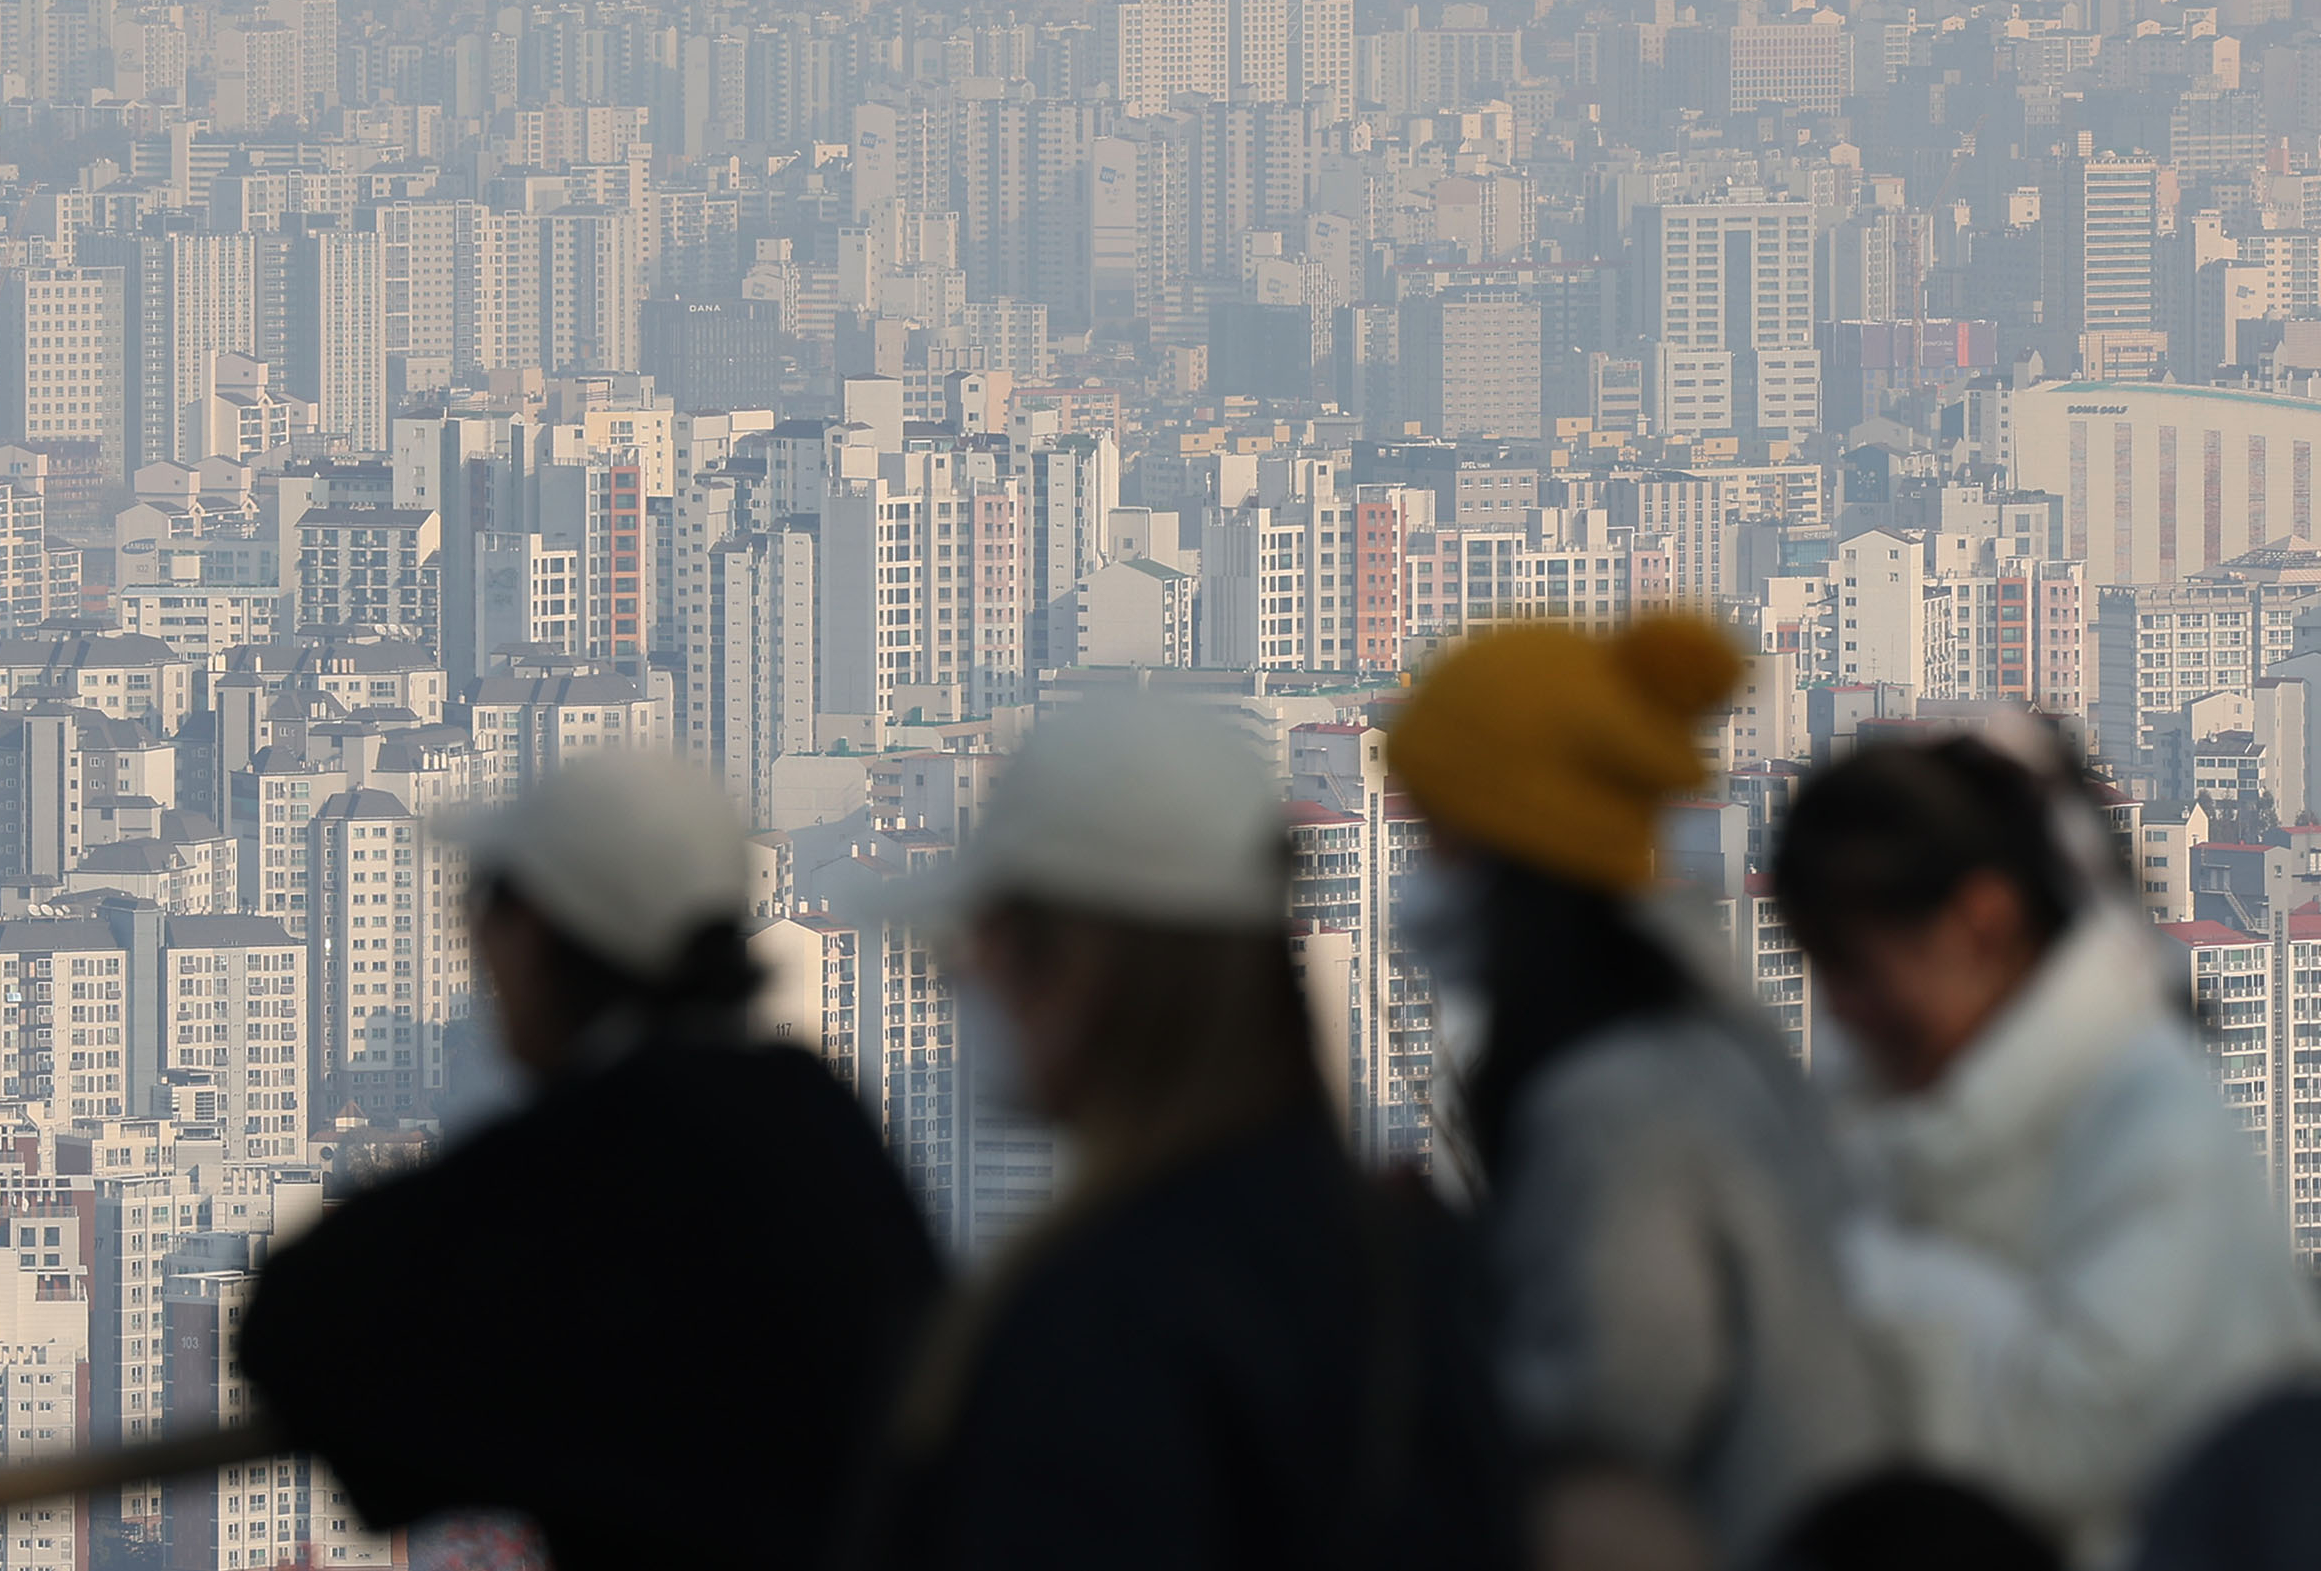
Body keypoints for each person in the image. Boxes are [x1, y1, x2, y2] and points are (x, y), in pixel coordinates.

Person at [852, 695, 1514, 1571]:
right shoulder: (1421, 1267)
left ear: (1081, 969)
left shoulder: (1095, 1329)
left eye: (991, 939)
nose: (968, 972)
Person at [238, 750, 941, 1571]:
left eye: (480, 909)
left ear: (531, 928)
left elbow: (295, 1328)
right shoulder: (815, 1106)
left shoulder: (599, 1150)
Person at [1386, 615, 1895, 1571]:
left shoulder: (1620, 1109)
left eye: (1434, 830)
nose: (1419, 870)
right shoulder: (1706, 1039)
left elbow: (1605, 1413)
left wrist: (1422, 1295)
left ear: (1511, 841)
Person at [1769, 727, 2321, 1565]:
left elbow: (2078, 1434)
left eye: (1856, 966)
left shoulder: (2153, 1116)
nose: (1843, 1007)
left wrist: (1860, 1280)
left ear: (1982, 921)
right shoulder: (1882, 1109)